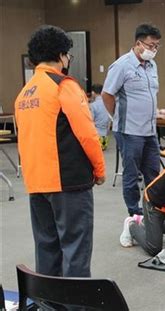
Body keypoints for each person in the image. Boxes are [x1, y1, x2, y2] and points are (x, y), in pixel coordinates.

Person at [14, 25, 106, 277]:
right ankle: (75, 305)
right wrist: (99, 169)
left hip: (37, 184)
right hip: (68, 184)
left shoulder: (24, 94)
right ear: (61, 55)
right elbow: (87, 134)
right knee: (75, 249)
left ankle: (49, 304)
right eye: (68, 55)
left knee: (46, 248)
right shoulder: (64, 86)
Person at [102, 24, 161, 216]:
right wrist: (117, 117)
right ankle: (135, 213)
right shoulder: (122, 65)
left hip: (150, 130)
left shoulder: (152, 66)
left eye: (156, 46)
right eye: (151, 45)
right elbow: (107, 94)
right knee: (131, 175)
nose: (153, 50)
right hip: (129, 131)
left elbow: (150, 95)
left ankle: (154, 208)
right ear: (138, 43)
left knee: (153, 173)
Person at [89, 84, 111, 150]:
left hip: (96, 139)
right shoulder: (107, 103)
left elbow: (90, 121)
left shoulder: (93, 105)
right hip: (104, 139)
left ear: (93, 93)